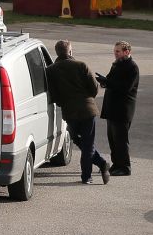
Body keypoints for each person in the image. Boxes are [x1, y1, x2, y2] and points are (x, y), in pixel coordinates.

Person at [46, 40, 109, 185]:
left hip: (70, 112)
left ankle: (87, 175)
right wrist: (87, 99)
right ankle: (100, 164)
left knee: (81, 141)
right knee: (86, 143)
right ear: (70, 51)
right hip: (88, 110)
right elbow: (94, 88)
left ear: (57, 52)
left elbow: (53, 94)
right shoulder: (81, 65)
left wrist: (63, 103)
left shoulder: (50, 70)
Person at [97, 40, 139, 176]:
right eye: (114, 51)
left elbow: (126, 88)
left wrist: (108, 82)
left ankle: (125, 167)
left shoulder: (132, 67)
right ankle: (116, 165)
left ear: (127, 52)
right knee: (112, 139)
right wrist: (104, 81)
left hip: (122, 110)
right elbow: (111, 80)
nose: (115, 54)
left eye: (118, 51)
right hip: (112, 108)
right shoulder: (117, 64)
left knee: (121, 140)